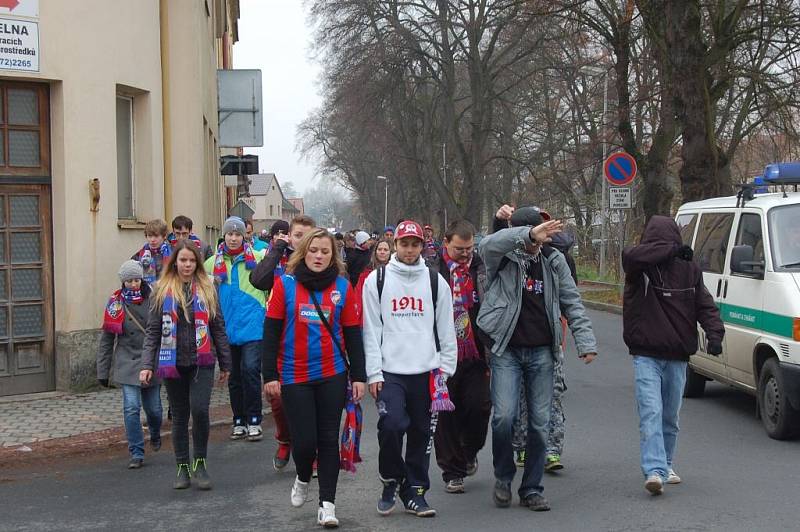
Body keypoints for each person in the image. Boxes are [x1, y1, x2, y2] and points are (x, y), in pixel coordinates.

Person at [477, 205, 597, 512]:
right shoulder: (500, 257)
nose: (538, 242)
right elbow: (487, 244)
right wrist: (526, 235)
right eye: (535, 235)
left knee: (540, 424)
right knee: (503, 417)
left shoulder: (554, 261)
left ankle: (531, 488)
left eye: (542, 236)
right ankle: (503, 478)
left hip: (543, 352)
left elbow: (572, 301)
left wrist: (586, 341)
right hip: (507, 350)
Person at [262, 228, 367, 528]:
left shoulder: (343, 288)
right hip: (294, 375)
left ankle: (327, 505)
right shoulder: (286, 285)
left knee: (327, 440)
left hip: (332, 373)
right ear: (303, 252)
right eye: (314, 250)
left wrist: (358, 376)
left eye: (325, 251)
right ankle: (303, 474)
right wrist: (270, 374)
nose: (319, 256)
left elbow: (353, 335)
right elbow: (270, 332)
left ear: (333, 255)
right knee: (305, 444)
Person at [622, 215, 724, 496]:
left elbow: (704, 304)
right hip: (646, 354)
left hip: (678, 355)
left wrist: (715, 334)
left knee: (670, 418)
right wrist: (670, 249)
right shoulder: (639, 266)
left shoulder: (689, 269)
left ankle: (666, 465)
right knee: (651, 412)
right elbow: (631, 255)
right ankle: (654, 470)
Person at [362, 220, 457, 518]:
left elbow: (446, 327)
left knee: (420, 434)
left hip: (427, 371)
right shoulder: (376, 280)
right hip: (390, 371)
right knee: (391, 427)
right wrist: (374, 373)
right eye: (404, 244)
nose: (409, 250)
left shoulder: (434, 281)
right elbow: (371, 330)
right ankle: (391, 479)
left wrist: (446, 368)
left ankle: (416, 491)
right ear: (394, 245)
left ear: (422, 246)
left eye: (415, 244)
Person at [140, 240, 232, 490]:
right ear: (175, 263)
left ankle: (200, 461)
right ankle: (182, 465)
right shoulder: (161, 290)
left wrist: (225, 362)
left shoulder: (208, 288)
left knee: (200, 410)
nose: (187, 265)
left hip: (202, 360)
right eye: (183, 260)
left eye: (192, 261)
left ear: (197, 263)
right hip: (172, 362)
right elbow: (152, 331)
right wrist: (147, 364)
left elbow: (218, 327)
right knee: (179, 416)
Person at [429, 220, 491, 494]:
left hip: (475, 352)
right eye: (459, 249)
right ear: (446, 243)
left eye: (469, 249)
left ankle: (469, 450)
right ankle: (452, 472)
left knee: (480, 406)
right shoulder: (433, 271)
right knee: (446, 415)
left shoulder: (481, 268)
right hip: (442, 354)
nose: (465, 254)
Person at [251, 214, 316, 470]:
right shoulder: (278, 256)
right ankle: (285, 438)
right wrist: (277, 250)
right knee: (278, 399)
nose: (303, 242)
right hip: (280, 337)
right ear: (290, 236)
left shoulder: (319, 259)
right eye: (298, 236)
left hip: (311, 338)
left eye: (308, 236)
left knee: (313, 401)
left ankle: (313, 454)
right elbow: (259, 280)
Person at [204, 216, 267, 442]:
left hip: (253, 327)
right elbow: (204, 295)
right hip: (226, 329)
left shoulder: (259, 258)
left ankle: (254, 420)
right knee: (234, 376)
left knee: (251, 371)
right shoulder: (211, 264)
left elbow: (270, 288)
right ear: (224, 235)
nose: (233, 238)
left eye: (237, 234)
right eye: (229, 234)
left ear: (244, 236)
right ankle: (238, 419)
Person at [97, 260, 162, 469]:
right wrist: (103, 370)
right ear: (123, 282)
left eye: (136, 280)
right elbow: (107, 339)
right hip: (126, 359)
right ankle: (136, 451)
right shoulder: (115, 303)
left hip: (150, 358)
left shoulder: (154, 298)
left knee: (154, 410)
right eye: (129, 281)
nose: (133, 284)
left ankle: (154, 431)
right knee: (131, 408)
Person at [355, 238, 393, 322]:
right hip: (369, 318)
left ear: (390, 253)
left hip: (390, 319)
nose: (382, 252)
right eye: (379, 249)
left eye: (385, 250)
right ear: (375, 252)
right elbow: (358, 298)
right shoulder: (365, 274)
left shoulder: (396, 274)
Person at [131, 219, 171, 286]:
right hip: (146, 293)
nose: (152, 240)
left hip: (169, 292)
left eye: (156, 236)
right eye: (149, 236)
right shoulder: (138, 256)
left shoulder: (173, 252)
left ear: (164, 236)